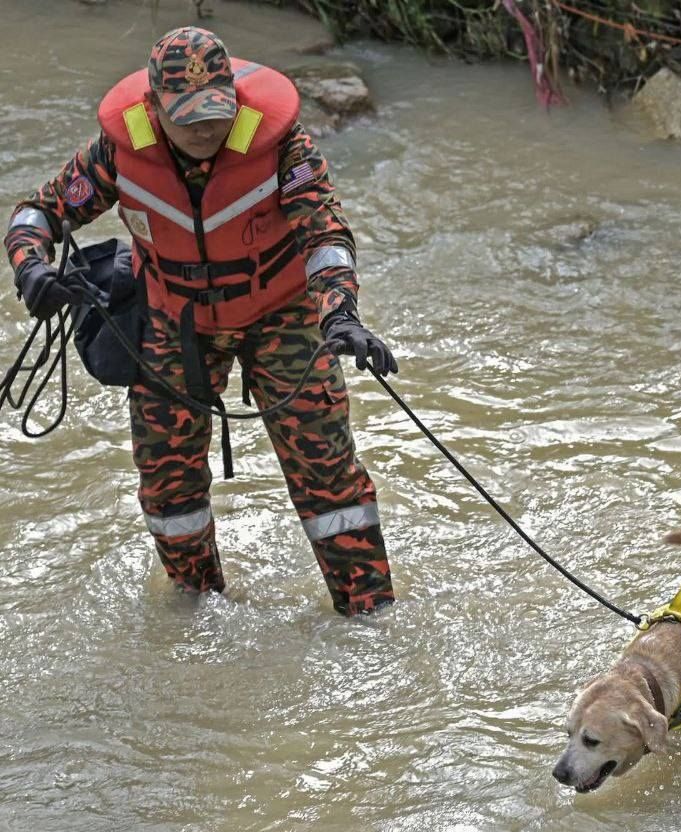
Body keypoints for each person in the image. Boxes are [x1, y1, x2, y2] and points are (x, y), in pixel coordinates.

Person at [4, 26, 397, 616]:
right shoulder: (117, 151)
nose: (204, 129)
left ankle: (369, 612)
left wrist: (341, 315)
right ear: (154, 107)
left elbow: (325, 235)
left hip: (282, 316)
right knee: (167, 481)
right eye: (186, 116)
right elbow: (38, 211)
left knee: (328, 472)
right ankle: (195, 608)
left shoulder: (282, 145)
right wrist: (30, 268)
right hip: (174, 320)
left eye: (215, 112)